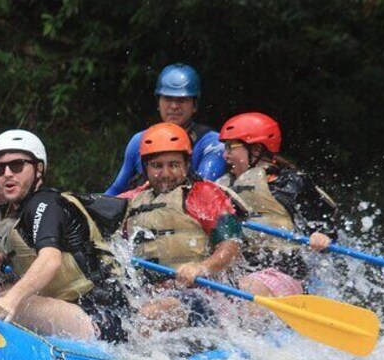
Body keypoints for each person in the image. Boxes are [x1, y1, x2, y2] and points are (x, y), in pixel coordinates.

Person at [0, 129, 131, 343]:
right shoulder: (24, 213)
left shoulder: (44, 203)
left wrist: (11, 300)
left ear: (39, 169)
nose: (8, 174)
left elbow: (50, 259)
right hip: (88, 312)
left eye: (17, 166)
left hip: (100, 318)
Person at [122, 122, 243, 329]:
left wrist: (202, 267)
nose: (166, 174)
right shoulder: (132, 200)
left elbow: (231, 243)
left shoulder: (202, 194)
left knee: (147, 316)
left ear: (186, 165)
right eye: (157, 166)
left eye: (174, 165)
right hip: (148, 294)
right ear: (145, 167)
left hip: (199, 297)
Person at [216, 112, 339, 297]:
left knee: (246, 289)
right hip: (244, 270)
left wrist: (322, 235)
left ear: (256, 149)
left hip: (285, 270)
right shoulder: (224, 186)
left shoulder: (290, 183)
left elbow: (325, 221)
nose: (225, 155)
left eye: (230, 147)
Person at [104, 63, 225, 197]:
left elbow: (204, 192)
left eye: (182, 100)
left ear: (194, 105)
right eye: (168, 98)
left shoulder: (213, 144)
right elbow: (115, 191)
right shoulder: (139, 141)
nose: (174, 106)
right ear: (158, 103)